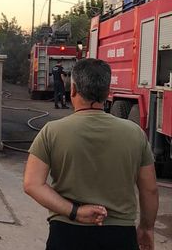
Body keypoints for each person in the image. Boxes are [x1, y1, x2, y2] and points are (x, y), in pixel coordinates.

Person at [23, 58, 159, 250]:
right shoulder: (135, 133)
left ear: (73, 90)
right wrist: (146, 228)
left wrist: (75, 212)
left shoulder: (51, 132)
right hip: (120, 236)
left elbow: (32, 184)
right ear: (107, 92)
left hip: (66, 234)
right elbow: (150, 189)